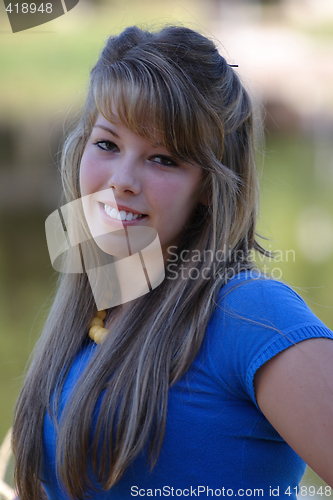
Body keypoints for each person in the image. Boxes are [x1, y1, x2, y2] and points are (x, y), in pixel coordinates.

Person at [12, 25, 333, 500]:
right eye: (107, 144)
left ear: (208, 186)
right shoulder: (98, 307)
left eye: (162, 159)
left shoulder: (251, 313)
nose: (121, 180)